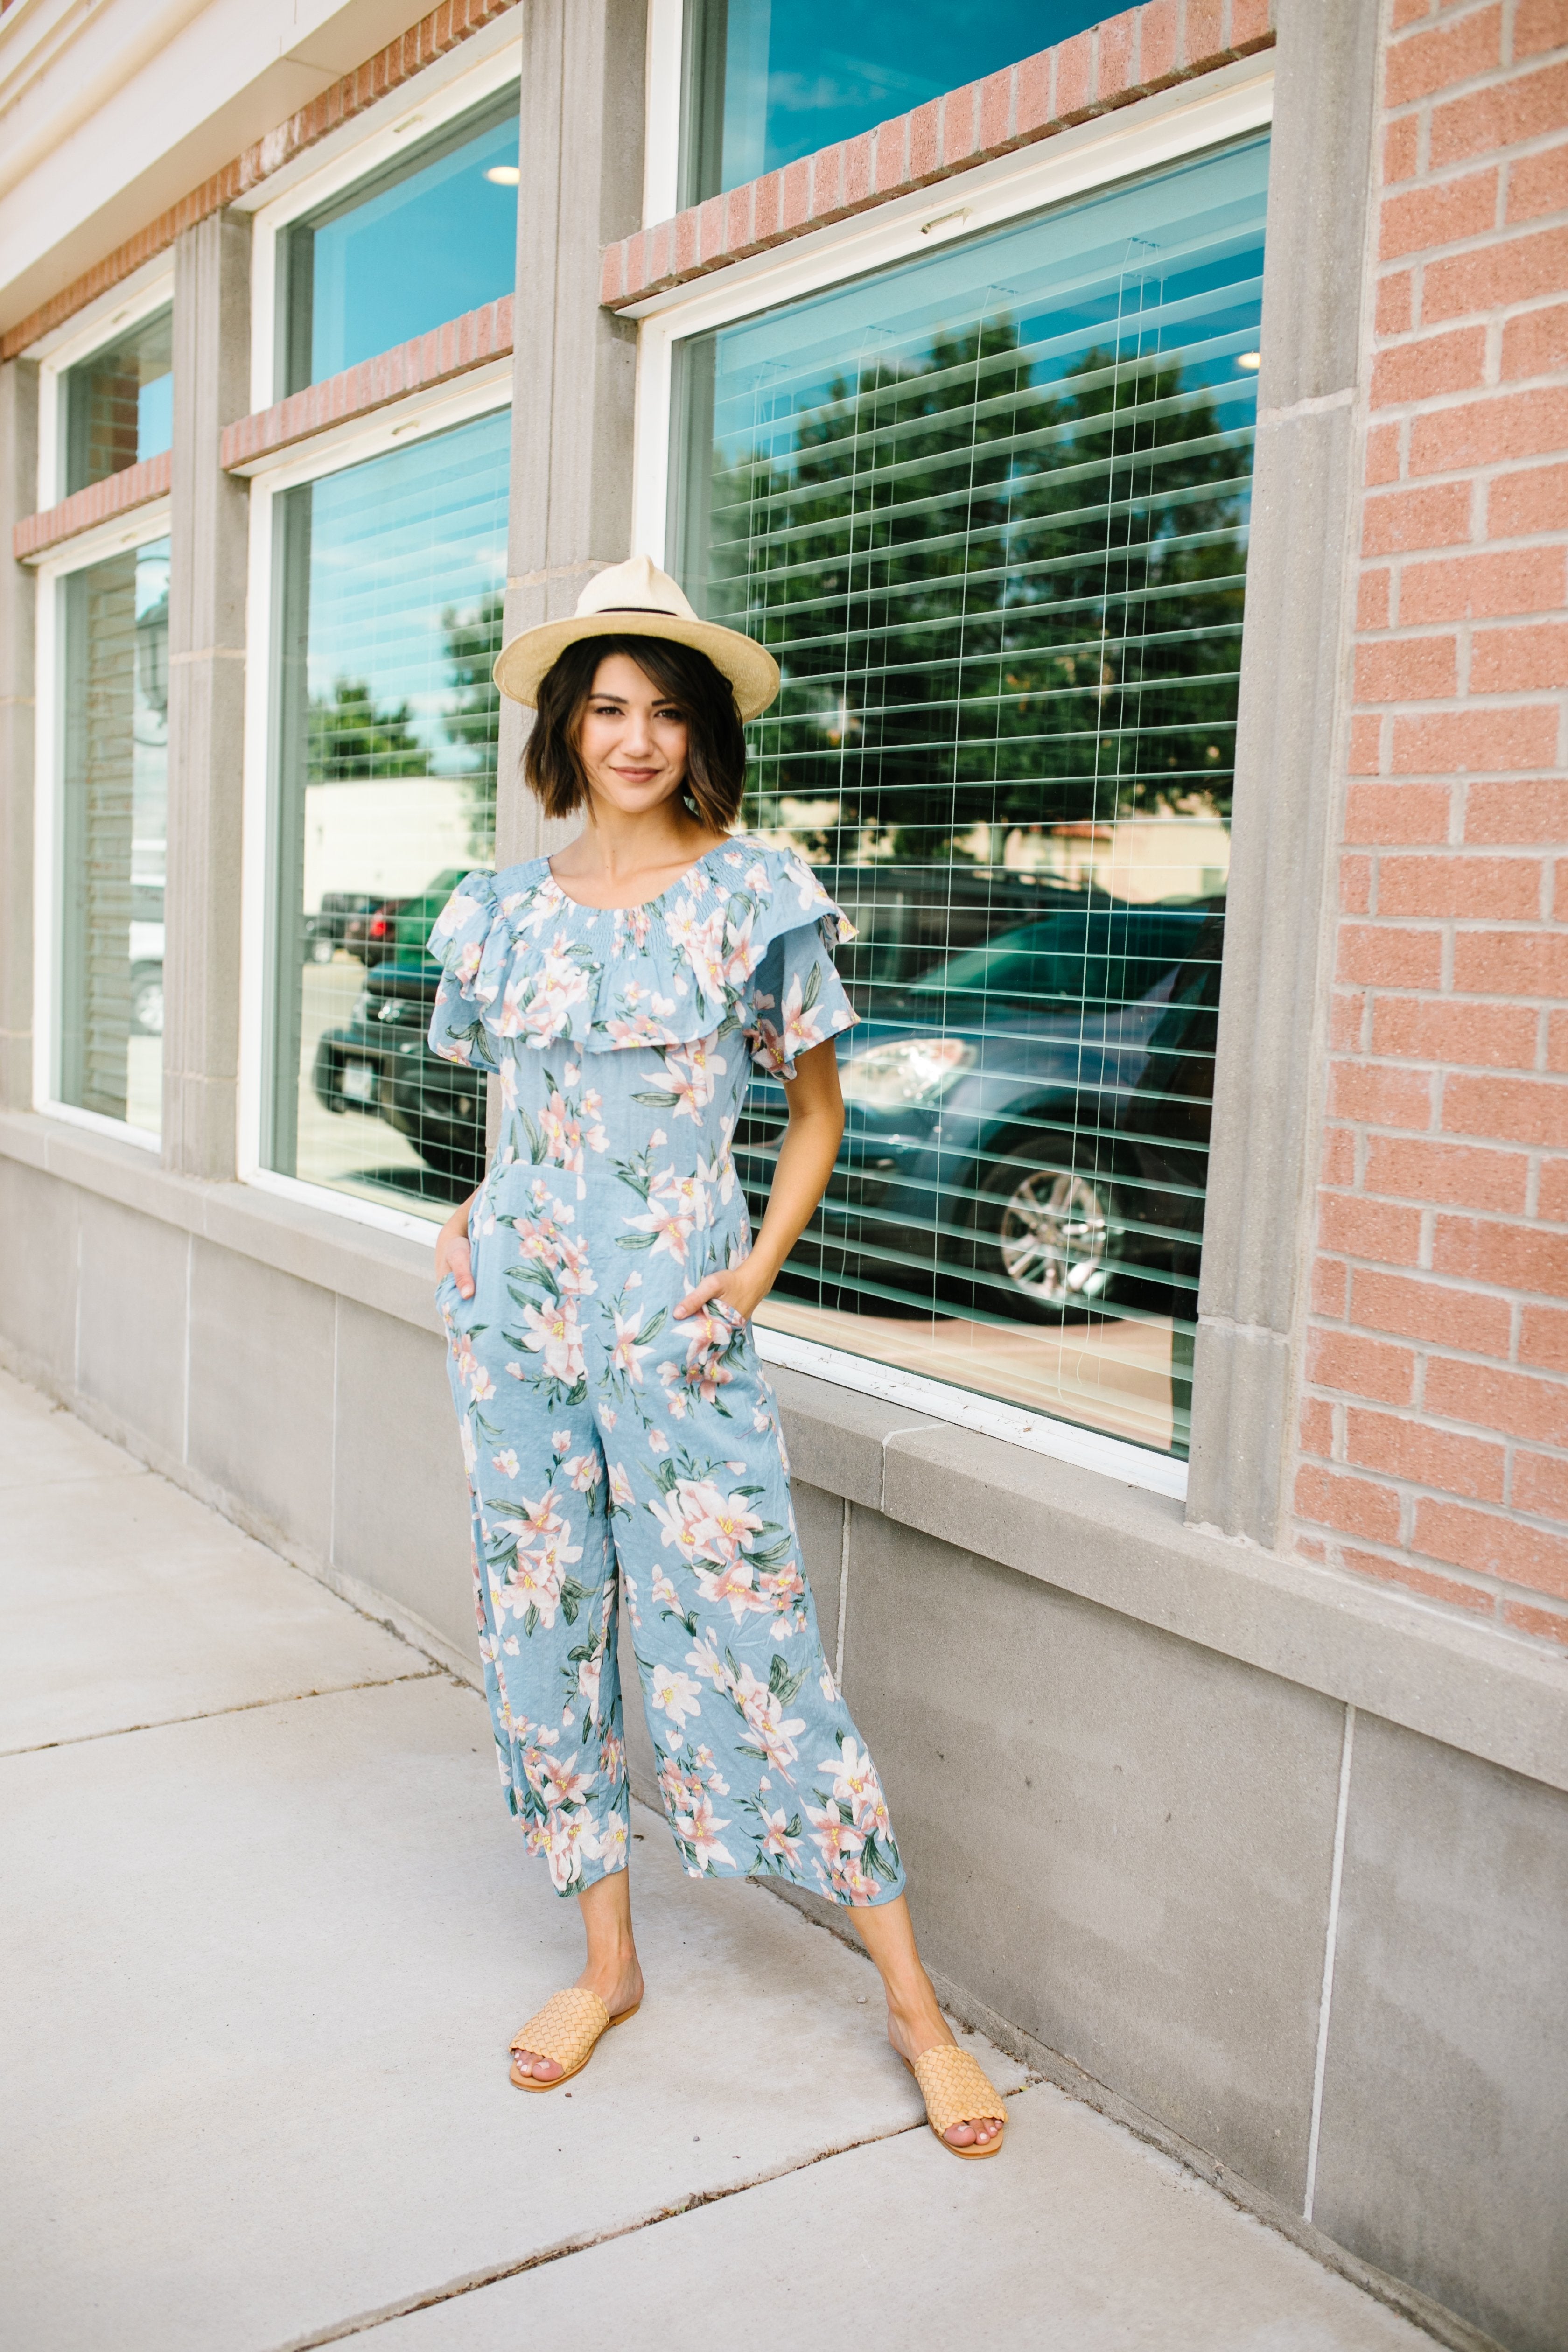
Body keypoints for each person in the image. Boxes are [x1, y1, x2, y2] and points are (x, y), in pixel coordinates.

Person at [426, 554, 1005, 2158]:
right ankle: (607, 1964)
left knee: (753, 1637)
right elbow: (519, 1106)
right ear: (565, 723)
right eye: (608, 708)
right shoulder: (496, 912)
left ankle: (914, 2008)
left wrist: (749, 1275)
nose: (634, 739)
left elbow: (816, 1109)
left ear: (699, 741)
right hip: (517, 1323)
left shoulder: (756, 900)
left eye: (664, 716)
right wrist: (477, 1209)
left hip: (681, 1322)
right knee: (542, 1627)